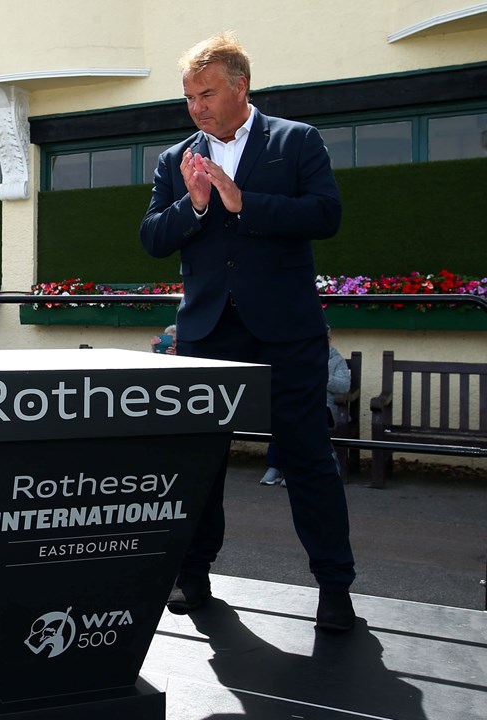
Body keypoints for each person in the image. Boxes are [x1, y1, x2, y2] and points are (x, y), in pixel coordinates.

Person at [139, 33, 356, 631]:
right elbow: (154, 238)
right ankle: (193, 573)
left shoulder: (295, 141)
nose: (197, 107)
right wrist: (199, 204)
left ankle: (335, 587)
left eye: (206, 94)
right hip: (208, 330)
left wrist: (243, 202)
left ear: (241, 86)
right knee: (200, 458)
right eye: (188, 97)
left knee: (308, 457)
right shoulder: (174, 159)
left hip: (286, 330)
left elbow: (326, 215)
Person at [260, 326, 351, 486]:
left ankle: (293, 471)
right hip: (301, 405)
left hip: (326, 409)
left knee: (301, 422)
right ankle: (274, 467)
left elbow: (344, 386)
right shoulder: (301, 358)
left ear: (328, 341)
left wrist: (320, 376)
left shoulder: (337, 360)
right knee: (283, 418)